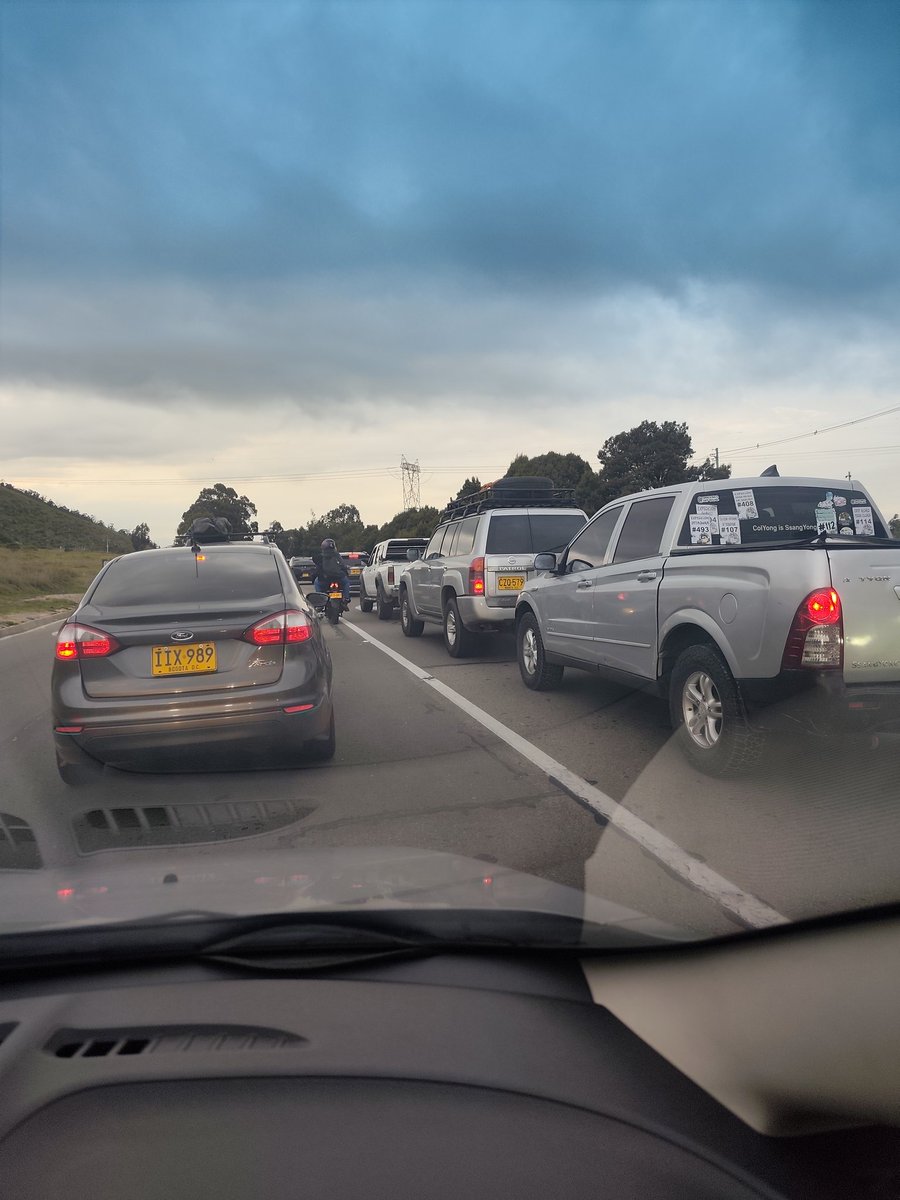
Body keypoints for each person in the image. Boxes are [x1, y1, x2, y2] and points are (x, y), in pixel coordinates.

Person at [312, 538, 350, 607]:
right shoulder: (337, 555)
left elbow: (316, 562)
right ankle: (346, 598)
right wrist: (345, 569)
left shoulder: (320, 556)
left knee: (316, 583)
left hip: (325, 578)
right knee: (346, 582)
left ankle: (321, 600)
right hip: (338, 577)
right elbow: (343, 564)